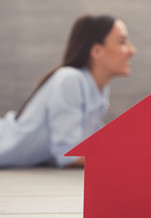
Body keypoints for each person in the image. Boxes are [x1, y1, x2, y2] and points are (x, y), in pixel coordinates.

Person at [0, 14, 136, 168]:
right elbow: (68, 155)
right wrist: (129, 157)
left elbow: (91, 139)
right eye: (122, 41)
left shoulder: (99, 88)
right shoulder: (70, 79)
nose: (132, 50)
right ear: (97, 50)